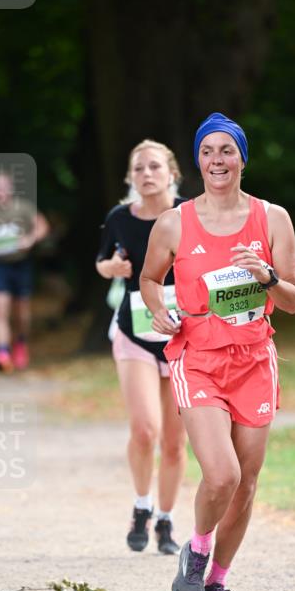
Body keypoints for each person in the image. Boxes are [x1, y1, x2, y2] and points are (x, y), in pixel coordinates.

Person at [140, 112, 295, 591]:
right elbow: (149, 278)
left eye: (227, 151)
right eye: (208, 151)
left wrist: (270, 277)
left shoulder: (272, 219)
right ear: (197, 160)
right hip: (199, 358)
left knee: (247, 482)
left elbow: (294, 300)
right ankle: (197, 548)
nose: (218, 160)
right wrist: (158, 309)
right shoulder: (174, 222)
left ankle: (215, 584)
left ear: (242, 158)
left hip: (255, 359)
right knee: (222, 475)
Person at [96, 139, 187, 555]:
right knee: (145, 429)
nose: (146, 174)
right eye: (139, 169)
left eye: (154, 167)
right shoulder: (120, 217)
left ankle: (166, 520)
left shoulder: (190, 215)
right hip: (135, 331)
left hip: (183, 334)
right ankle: (141, 505)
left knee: (174, 440)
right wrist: (112, 267)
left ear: (172, 173)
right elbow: (102, 260)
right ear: (131, 178)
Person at [0, 171, 49, 371]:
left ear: (11, 188)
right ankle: (1, 352)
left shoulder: (23, 208)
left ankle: (20, 343)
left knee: (21, 313)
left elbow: (42, 226)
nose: (0, 191)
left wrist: (30, 239)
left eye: (3, 187)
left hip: (20, 264)